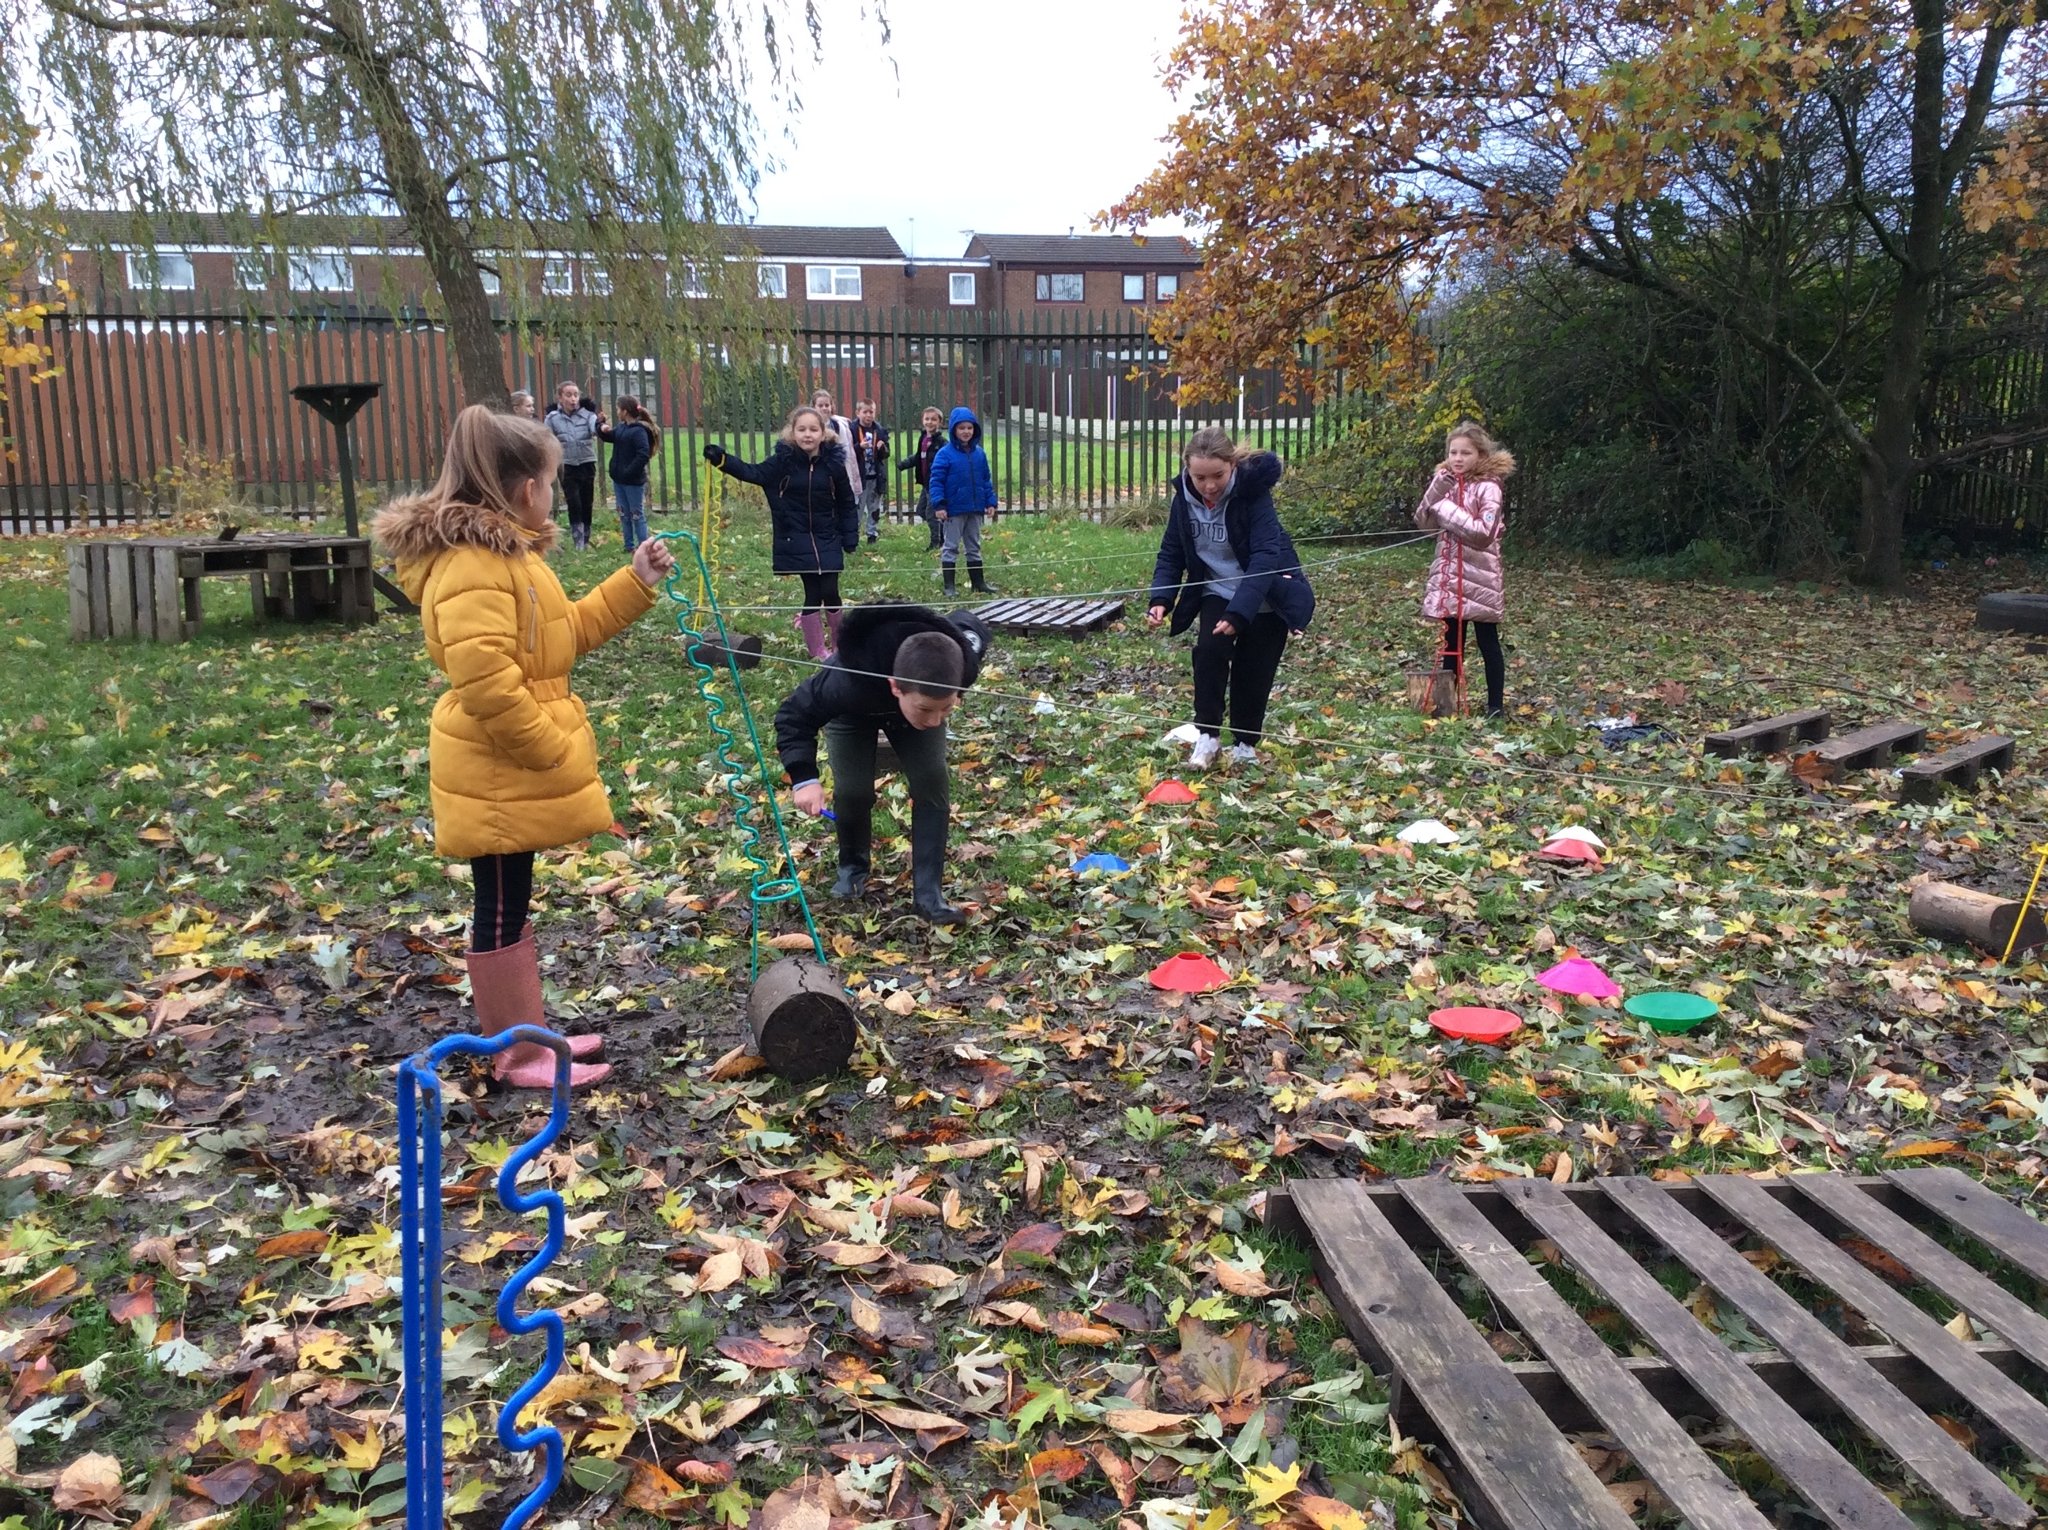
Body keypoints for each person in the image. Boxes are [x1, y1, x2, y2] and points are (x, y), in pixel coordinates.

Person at [373, 405, 676, 1090]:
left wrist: (635, 583)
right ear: (522, 491)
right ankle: (515, 1055)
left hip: (505, 765)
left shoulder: (511, 556)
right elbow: (485, 681)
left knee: (512, 902)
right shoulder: (474, 566)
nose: (555, 489)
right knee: (501, 907)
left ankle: (528, 1033)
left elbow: (560, 637)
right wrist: (545, 747)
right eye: (548, 479)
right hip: (496, 766)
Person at [773, 602, 991, 925]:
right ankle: (852, 870)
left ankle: (929, 895)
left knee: (931, 778)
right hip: (853, 712)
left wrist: (939, 704)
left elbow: (968, 627)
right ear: (895, 686)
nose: (935, 721)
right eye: (927, 710)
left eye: (946, 708)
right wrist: (804, 778)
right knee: (852, 791)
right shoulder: (844, 680)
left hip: (908, 706)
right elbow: (793, 716)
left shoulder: (960, 663)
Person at [1146, 427, 1316, 768]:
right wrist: (1161, 597)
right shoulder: (1184, 500)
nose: (1209, 486)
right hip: (1216, 591)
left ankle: (1244, 744)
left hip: (1265, 594)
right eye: (1199, 477)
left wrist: (1240, 614)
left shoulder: (1254, 496)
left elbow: (1266, 556)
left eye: (1218, 476)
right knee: (1209, 653)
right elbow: (1172, 551)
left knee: (1254, 669)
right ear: (1187, 471)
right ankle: (1207, 738)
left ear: (1233, 466)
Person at [703, 406, 858, 660]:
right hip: (796, 536)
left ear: (823, 433)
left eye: (813, 429)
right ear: (792, 432)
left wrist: (850, 535)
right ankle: (818, 649)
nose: (807, 435)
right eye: (802, 429)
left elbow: (846, 501)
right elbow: (752, 472)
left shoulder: (833, 464)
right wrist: (723, 460)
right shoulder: (782, 462)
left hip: (828, 536)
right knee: (814, 593)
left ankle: (840, 646)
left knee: (831, 591)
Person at [1415, 420, 1514, 718]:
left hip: (1480, 576)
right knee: (1450, 642)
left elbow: (1484, 533)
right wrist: (1436, 493)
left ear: (1480, 455)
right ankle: (1448, 705)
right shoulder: (1444, 482)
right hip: (1449, 574)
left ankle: (1495, 706)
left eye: (1465, 453)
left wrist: (1445, 510)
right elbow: (1424, 522)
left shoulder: (1490, 486)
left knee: (1487, 642)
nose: (1458, 459)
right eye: (1453, 452)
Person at [927, 406, 999, 597]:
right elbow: (936, 481)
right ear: (953, 430)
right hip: (953, 510)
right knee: (950, 546)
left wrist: (990, 502)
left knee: (974, 546)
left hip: (974, 508)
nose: (966, 432)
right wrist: (940, 504)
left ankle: (978, 582)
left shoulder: (979, 454)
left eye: (969, 428)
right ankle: (949, 585)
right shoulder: (945, 454)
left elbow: (985, 479)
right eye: (961, 428)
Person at [543, 382, 605, 550]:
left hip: (586, 463)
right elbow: (546, 439)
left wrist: (601, 426)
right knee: (574, 502)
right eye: (568, 395)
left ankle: (586, 538)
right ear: (560, 397)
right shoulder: (553, 418)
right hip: (567, 466)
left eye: (576, 395)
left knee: (587, 501)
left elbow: (595, 427)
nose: (573, 399)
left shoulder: (587, 415)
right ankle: (578, 540)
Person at [598, 395, 660, 549]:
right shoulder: (621, 427)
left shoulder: (639, 431)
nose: (617, 411)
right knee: (624, 514)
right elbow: (609, 437)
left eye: (618, 409)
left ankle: (644, 547)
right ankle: (628, 546)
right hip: (619, 480)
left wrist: (629, 471)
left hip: (633, 482)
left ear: (625, 411)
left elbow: (643, 454)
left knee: (637, 515)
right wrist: (601, 425)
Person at [897, 405, 946, 551]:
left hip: (936, 484)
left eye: (933, 419)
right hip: (926, 483)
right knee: (921, 511)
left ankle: (936, 543)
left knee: (931, 514)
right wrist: (905, 463)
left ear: (940, 423)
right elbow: (919, 457)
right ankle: (942, 532)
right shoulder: (923, 439)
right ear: (922, 421)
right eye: (927, 419)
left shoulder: (942, 443)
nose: (930, 422)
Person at [811, 389, 861, 508]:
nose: (824, 408)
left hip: (837, 471)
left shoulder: (839, 425)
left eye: (827, 405)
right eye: (820, 405)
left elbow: (847, 452)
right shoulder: (809, 426)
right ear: (813, 407)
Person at [851, 400, 890, 543]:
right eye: (865, 412)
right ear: (858, 413)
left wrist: (882, 448)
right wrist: (859, 446)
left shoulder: (879, 430)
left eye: (871, 412)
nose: (868, 415)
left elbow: (886, 455)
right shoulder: (852, 429)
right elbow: (847, 452)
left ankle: (872, 533)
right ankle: (853, 534)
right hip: (859, 476)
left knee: (874, 506)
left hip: (875, 476)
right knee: (857, 508)